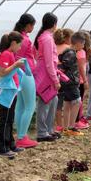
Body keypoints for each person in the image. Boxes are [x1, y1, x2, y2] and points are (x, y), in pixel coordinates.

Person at [0, 32, 26, 158]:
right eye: (19, 45)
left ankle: (10, 144)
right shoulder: (6, 54)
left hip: (12, 89)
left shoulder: (10, 54)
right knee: (5, 119)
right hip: (7, 90)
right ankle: (2, 148)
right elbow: (2, 72)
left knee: (10, 118)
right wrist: (15, 65)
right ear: (13, 43)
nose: (19, 48)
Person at [34, 13, 61, 142]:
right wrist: (55, 80)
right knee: (45, 102)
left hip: (46, 73)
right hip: (47, 75)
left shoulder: (44, 37)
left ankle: (49, 130)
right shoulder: (47, 39)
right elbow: (49, 62)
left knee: (53, 100)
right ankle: (42, 132)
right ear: (54, 24)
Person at [13, 14, 38, 148]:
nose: (33, 28)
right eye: (32, 25)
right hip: (25, 73)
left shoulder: (16, 36)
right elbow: (23, 58)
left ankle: (20, 135)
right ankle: (22, 137)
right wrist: (28, 70)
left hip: (18, 72)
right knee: (30, 105)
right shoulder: (24, 39)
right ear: (28, 25)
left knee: (21, 106)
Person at [59, 32, 86, 136]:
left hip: (66, 82)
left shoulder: (68, 51)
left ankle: (66, 129)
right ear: (78, 43)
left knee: (67, 104)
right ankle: (71, 127)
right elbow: (64, 65)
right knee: (77, 102)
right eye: (83, 44)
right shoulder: (71, 53)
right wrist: (70, 77)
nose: (83, 46)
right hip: (70, 83)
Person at [74, 31, 91, 129]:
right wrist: (85, 80)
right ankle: (77, 120)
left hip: (78, 78)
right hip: (80, 80)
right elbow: (81, 68)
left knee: (79, 100)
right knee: (79, 100)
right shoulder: (81, 52)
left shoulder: (79, 51)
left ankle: (79, 118)